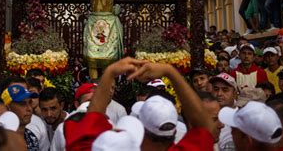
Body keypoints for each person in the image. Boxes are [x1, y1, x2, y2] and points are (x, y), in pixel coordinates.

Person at [44, 0, 172, 79]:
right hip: (94, 23)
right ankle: (93, 87)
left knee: (108, 59)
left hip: (109, 24)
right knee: (92, 58)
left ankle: (106, 84)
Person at [65, 57, 216, 150]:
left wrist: (110, 72)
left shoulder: (83, 146)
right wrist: (170, 72)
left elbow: (93, 117)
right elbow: (204, 126)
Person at [1, 84, 40, 151]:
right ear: (7, 108)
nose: (29, 108)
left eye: (30, 102)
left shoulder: (31, 136)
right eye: (22, 104)